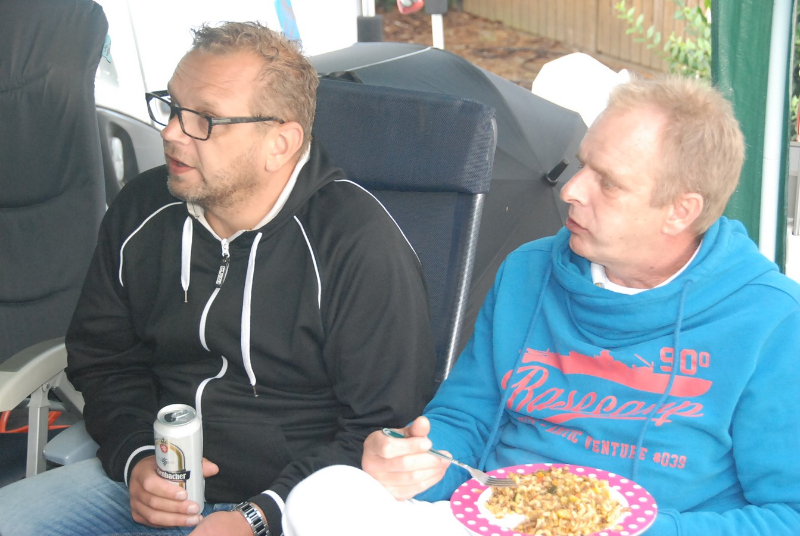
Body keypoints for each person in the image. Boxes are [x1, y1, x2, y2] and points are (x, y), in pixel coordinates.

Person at [282, 76, 800, 535]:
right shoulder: (529, 270)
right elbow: (465, 418)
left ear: (680, 212)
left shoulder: (771, 320)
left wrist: (629, 529)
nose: (571, 189)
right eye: (582, 164)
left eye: (608, 183)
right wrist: (418, 461)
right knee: (323, 496)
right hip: (496, 515)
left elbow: (788, 514)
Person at [0, 21, 436, 536]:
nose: (170, 132)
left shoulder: (358, 244)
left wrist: (261, 516)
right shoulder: (143, 209)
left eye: (204, 119)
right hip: (146, 484)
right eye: (172, 106)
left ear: (280, 143)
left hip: (298, 505)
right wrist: (136, 458)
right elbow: (105, 360)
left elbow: (381, 432)